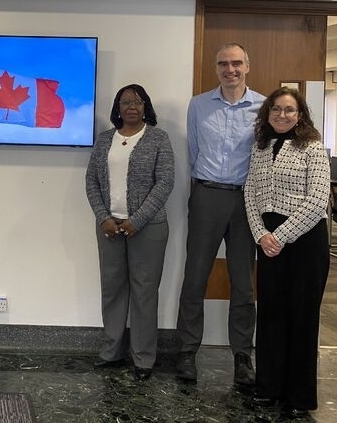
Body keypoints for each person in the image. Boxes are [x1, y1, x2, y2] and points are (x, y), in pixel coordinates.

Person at [175, 43, 265, 385]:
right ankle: (187, 351)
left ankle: (242, 356)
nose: (230, 69)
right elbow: (194, 150)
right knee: (195, 276)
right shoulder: (198, 105)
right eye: (224, 64)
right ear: (216, 68)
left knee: (243, 281)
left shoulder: (263, 107)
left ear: (247, 66)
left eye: (237, 63)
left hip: (246, 200)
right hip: (207, 195)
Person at [244, 87, 330, 419]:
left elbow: (318, 200)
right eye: (276, 109)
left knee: (301, 318)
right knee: (271, 315)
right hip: (268, 242)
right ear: (267, 113)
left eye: (289, 110)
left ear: (300, 115)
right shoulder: (260, 147)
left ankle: (299, 396)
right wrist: (260, 234)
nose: (282, 115)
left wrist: (279, 236)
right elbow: (249, 192)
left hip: (305, 243)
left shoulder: (313, 147)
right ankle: (268, 388)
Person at [85, 84, 174, 381]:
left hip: (148, 228)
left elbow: (165, 182)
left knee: (144, 291)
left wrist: (138, 219)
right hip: (109, 227)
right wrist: (103, 217)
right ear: (118, 108)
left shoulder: (159, 138)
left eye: (137, 101)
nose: (131, 107)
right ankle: (111, 351)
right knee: (112, 289)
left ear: (145, 106)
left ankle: (143, 358)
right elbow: (91, 181)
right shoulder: (104, 140)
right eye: (125, 102)